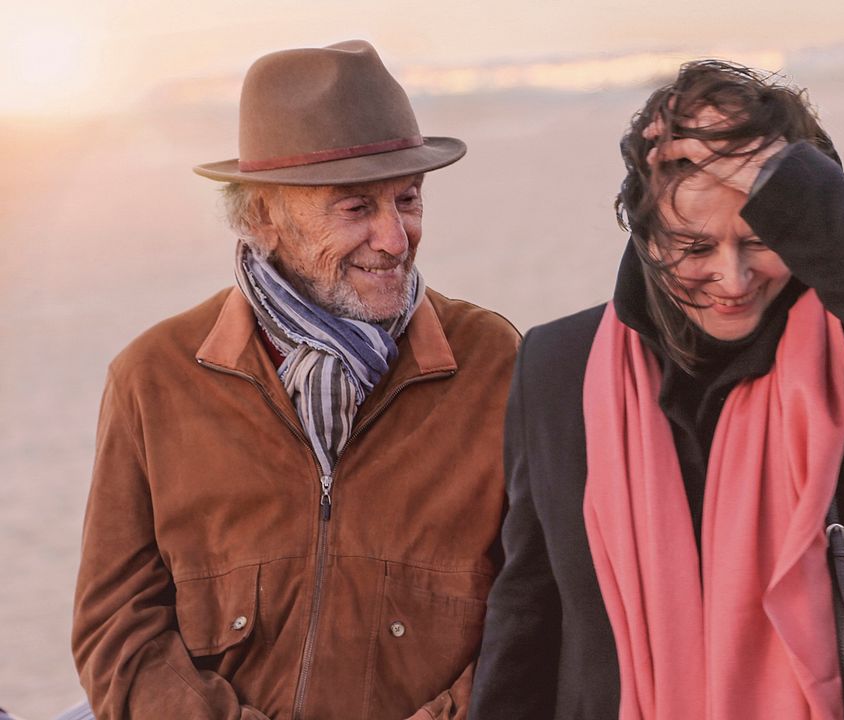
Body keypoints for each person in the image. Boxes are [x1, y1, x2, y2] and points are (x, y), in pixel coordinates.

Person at [468, 60, 844, 719]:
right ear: (645, 235)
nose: (733, 278)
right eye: (693, 246)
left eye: (759, 239)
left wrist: (774, 172)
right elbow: (528, 607)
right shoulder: (557, 365)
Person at [71, 40, 519, 720]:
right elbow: (116, 630)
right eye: (355, 208)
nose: (396, 238)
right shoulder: (151, 379)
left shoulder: (495, 363)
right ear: (260, 217)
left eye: (407, 199)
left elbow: (541, 601)